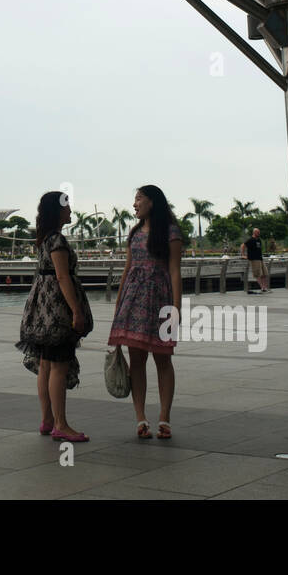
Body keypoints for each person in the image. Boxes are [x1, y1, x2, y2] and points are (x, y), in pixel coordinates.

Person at [16, 191, 92, 444]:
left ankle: (47, 419)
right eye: (67, 206)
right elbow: (62, 277)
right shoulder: (57, 240)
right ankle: (61, 423)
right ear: (57, 211)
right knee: (58, 364)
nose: (70, 210)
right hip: (56, 310)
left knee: (46, 364)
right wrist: (77, 311)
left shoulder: (45, 238)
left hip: (41, 308)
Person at [109, 185, 183, 441]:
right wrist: (119, 305)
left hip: (160, 300)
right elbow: (128, 271)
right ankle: (140, 418)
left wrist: (176, 307)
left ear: (152, 202)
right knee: (137, 361)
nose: (134, 204)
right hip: (133, 302)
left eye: (138, 199)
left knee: (163, 359)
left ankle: (165, 418)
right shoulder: (135, 233)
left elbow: (174, 270)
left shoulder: (170, 232)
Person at [241, 228, 268, 293]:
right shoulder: (251, 240)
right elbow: (243, 246)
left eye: (259, 232)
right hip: (254, 259)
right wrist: (243, 254)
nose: (259, 233)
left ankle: (264, 287)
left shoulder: (258, 240)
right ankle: (262, 287)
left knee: (264, 273)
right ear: (254, 232)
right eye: (257, 232)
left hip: (260, 258)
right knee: (258, 274)